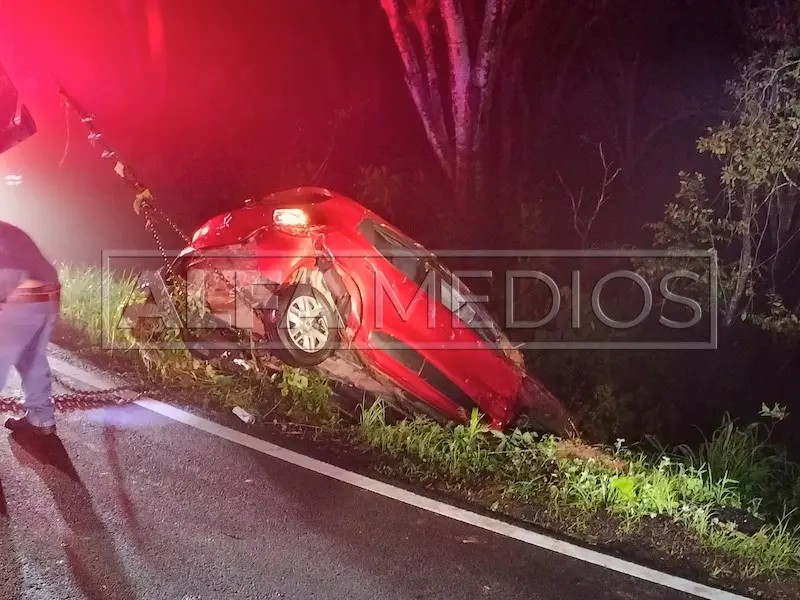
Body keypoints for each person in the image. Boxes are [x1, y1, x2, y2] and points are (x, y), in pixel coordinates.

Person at [0, 220, 60, 436]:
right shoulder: (8, 229)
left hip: (16, 287)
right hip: (47, 291)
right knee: (32, 358)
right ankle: (41, 418)